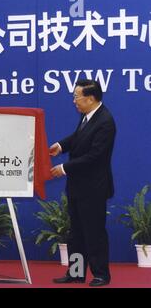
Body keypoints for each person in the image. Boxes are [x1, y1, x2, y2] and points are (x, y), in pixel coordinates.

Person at [49, 79, 116, 287]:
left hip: (94, 188)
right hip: (77, 186)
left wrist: (64, 168)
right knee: (76, 233)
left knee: (94, 232)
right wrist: (61, 146)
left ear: (91, 98)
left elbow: (94, 156)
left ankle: (101, 275)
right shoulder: (87, 117)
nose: (74, 101)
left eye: (77, 97)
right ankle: (76, 272)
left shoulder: (105, 121)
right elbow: (78, 138)